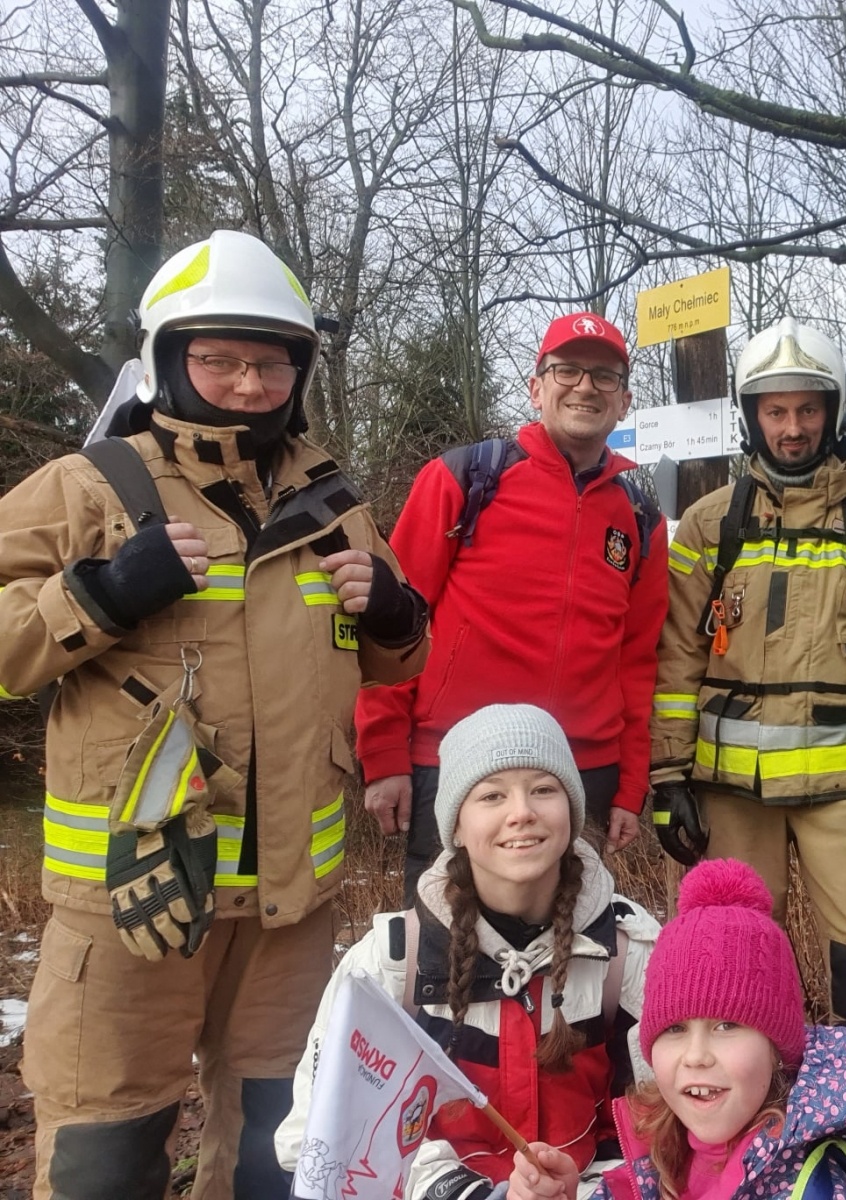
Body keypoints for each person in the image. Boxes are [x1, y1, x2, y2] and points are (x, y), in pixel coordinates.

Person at [0, 229, 430, 1200]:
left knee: (274, 1153)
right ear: (164, 360)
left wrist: (398, 615)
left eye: (269, 360)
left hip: (289, 911)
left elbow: (393, 656)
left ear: (300, 371)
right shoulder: (88, 488)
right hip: (132, 900)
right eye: (219, 358)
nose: (246, 383)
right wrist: (100, 595)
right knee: (105, 1156)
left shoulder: (334, 501)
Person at [648, 317, 846, 1195]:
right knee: (729, 988)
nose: (793, 429)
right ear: (751, 418)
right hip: (732, 790)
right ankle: (733, 1165)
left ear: (832, 411)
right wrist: (668, 776)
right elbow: (676, 661)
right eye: (775, 412)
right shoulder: (709, 522)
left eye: (807, 409)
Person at [276, 704, 660, 1199]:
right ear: (455, 826)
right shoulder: (390, 964)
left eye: (544, 789)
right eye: (491, 795)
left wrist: (588, 1192)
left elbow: (668, 1123)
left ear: (572, 810)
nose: (521, 811)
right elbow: (316, 1140)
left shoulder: (628, 953)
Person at [357, 311, 668, 899]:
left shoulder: (640, 520)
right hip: (457, 760)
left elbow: (637, 661)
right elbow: (392, 626)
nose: (584, 387)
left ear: (624, 401)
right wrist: (383, 752)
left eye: (604, 377)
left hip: (582, 771)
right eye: (567, 370)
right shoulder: (468, 478)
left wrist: (631, 785)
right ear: (536, 387)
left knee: (569, 952)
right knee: (444, 951)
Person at [524, 856, 846, 1200]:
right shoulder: (665, 1154)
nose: (696, 1055)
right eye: (675, 1028)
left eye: (727, 1025)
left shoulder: (813, 1189)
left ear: (778, 1049)